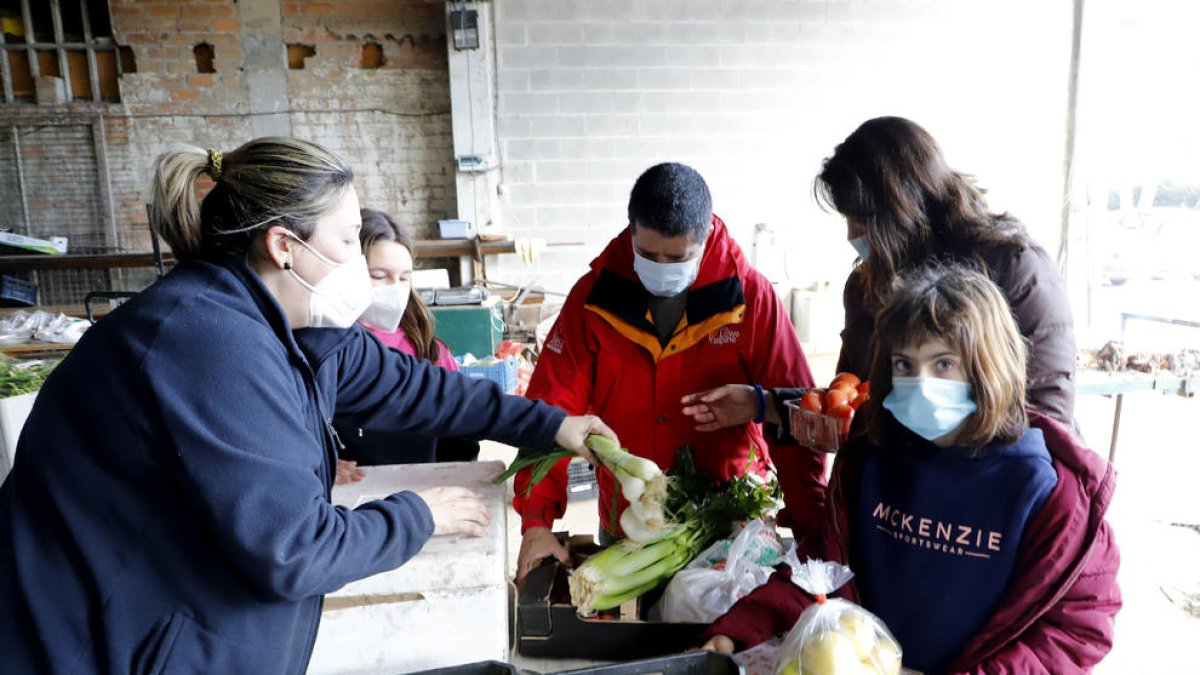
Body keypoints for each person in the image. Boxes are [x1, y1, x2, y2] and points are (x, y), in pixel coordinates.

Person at [0, 137, 614, 674]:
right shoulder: (207, 343)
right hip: (93, 646)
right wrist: (419, 515)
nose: (358, 262)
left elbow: (418, 387)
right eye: (348, 240)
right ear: (284, 246)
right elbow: (294, 550)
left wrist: (551, 423)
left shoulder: (293, 328)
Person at [699, 264, 1121, 674]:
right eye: (904, 365)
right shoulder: (870, 459)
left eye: (943, 364)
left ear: (988, 366)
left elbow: (1076, 633)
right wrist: (740, 629)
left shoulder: (1052, 493)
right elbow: (823, 568)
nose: (920, 382)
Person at [513, 162, 823, 582]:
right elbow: (550, 409)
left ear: (707, 235)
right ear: (632, 230)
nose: (661, 265)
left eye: (678, 257)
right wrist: (536, 523)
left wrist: (810, 524)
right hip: (630, 522)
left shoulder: (750, 298)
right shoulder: (593, 300)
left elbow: (799, 411)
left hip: (728, 523)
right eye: (648, 254)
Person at [823, 116, 1076, 424]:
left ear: (905, 206)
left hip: (996, 469)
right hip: (898, 471)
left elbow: (1048, 415)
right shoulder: (866, 284)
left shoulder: (1015, 269)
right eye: (848, 218)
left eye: (863, 218)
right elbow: (852, 394)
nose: (853, 235)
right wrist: (773, 405)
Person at [333, 208, 479, 482]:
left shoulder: (429, 350)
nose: (394, 288)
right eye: (378, 275)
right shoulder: (326, 348)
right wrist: (322, 462)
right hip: (349, 503)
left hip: (422, 494)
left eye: (403, 278)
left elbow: (459, 434)